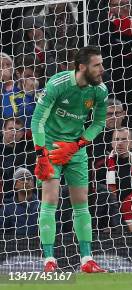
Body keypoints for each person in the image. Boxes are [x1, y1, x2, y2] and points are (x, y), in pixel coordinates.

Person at [30, 46, 108, 273]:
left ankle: (87, 260)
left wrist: (76, 145)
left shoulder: (100, 91)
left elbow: (98, 124)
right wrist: (41, 154)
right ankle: (49, 261)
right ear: (82, 67)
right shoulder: (58, 83)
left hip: (75, 149)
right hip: (51, 148)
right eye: (97, 65)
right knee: (50, 199)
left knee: (81, 202)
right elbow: (37, 121)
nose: (102, 69)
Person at [0, 167, 39, 236]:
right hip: (14, 245)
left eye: (29, 179)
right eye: (22, 179)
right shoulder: (7, 209)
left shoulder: (42, 207)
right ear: (15, 185)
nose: (26, 181)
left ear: (33, 184)